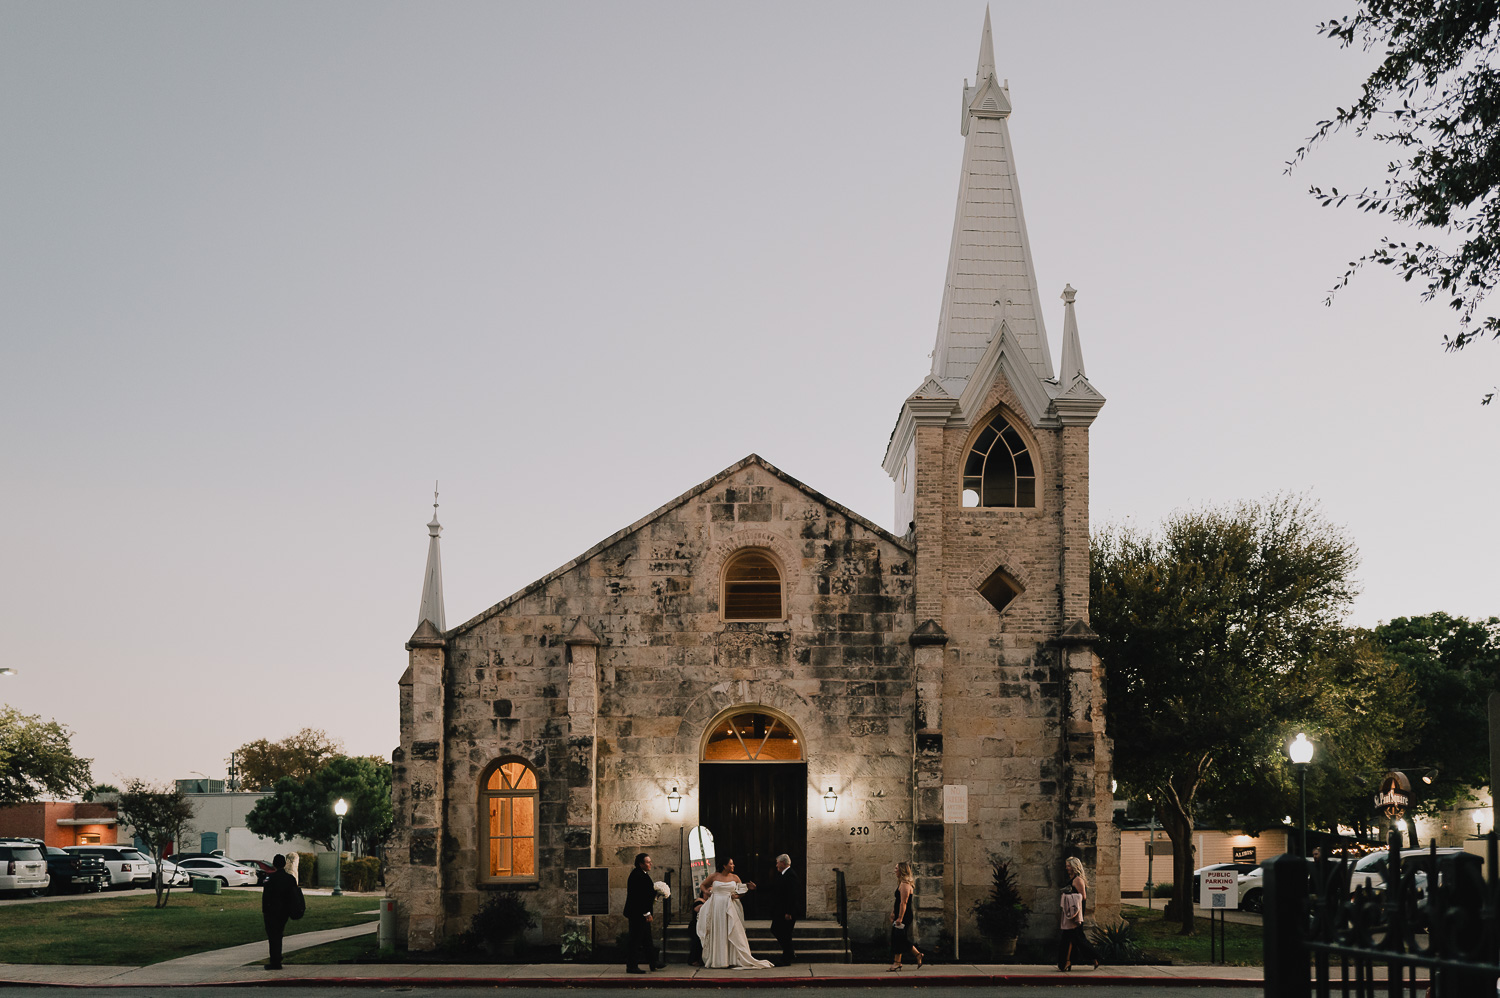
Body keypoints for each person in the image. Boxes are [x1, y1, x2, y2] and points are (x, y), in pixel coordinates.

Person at [697, 857, 773, 969]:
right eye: (731, 864)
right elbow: (703, 885)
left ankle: (732, 958)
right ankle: (719, 960)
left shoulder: (735, 877)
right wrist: (706, 892)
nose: (733, 866)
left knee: (731, 929)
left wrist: (736, 896)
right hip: (717, 906)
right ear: (724, 865)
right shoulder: (714, 876)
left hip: (730, 905)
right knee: (719, 930)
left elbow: (742, 891)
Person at [261, 854, 305, 971]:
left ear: (274, 864)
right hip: (284, 912)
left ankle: (275, 961)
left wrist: (265, 911)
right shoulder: (290, 879)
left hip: (272, 912)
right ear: (284, 864)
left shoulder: (270, 879)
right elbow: (294, 895)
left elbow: (266, 897)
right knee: (279, 934)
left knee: (273, 936)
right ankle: (277, 959)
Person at [1057, 855, 1101, 972]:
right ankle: (1089, 958)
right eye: (1066, 865)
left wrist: (1068, 896)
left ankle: (1070, 961)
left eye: (1068, 866)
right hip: (1071, 912)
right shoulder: (1072, 879)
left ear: (1074, 867)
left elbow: (1082, 897)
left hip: (1076, 913)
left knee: (1075, 937)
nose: (1066, 868)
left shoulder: (1078, 880)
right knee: (1073, 937)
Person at [765, 853, 803, 966]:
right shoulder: (783, 874)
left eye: (777, 863)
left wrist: (789, 912)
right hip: (781, 910)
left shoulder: (790, 875)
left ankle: (788, 955)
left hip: (786, 911)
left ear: (782, 863)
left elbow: (792, 895)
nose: (776, 865)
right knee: (783, 932)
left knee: (780, 931)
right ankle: (788, 955)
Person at [888, 861, 924, 971]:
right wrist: (893, 912)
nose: (895, 870)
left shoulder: (905, 885)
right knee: (898, 938)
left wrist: (900, 918)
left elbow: (903, 903)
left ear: (902, 870)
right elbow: (898, 901)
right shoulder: (901, 883)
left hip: (904, 915)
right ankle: (915, 956)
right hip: (900, 914)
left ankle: (898, 962)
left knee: (898, 938)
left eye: (896, 868)